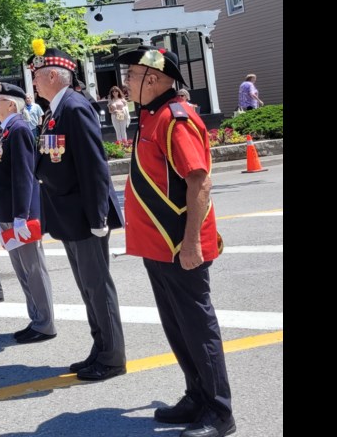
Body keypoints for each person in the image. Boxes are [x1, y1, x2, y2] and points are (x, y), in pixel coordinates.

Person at [117, 45, 235, 437]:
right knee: (178, 327)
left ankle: (219, 411)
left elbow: (199, 183)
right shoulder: (151, 117)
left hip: (179, 245)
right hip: (158, 246)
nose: (126, 81)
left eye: (132, 75)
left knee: (198, 328)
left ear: (153, 79)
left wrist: (190, 244)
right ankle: (197, 395)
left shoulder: (175, 119)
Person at [29, 41, 126, 381]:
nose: (35, 83)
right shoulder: (55, 110)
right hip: (69, 215)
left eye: (38, 76)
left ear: (54, 75)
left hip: (86, 216)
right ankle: (100, 348)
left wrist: (99, 216)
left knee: (98, 286)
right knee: (87, 287)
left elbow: (93, 166)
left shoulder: (73, 107)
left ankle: (112, 357)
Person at [0, 82, 56, 344]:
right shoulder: (5, 131)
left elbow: (24, 176)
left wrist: (21, 216)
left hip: (21, 216)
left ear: (11, 105)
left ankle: (45, 323)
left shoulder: (18, 130)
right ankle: (37, 319)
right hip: (8, 213)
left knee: (34, 269)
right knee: (23, 271)